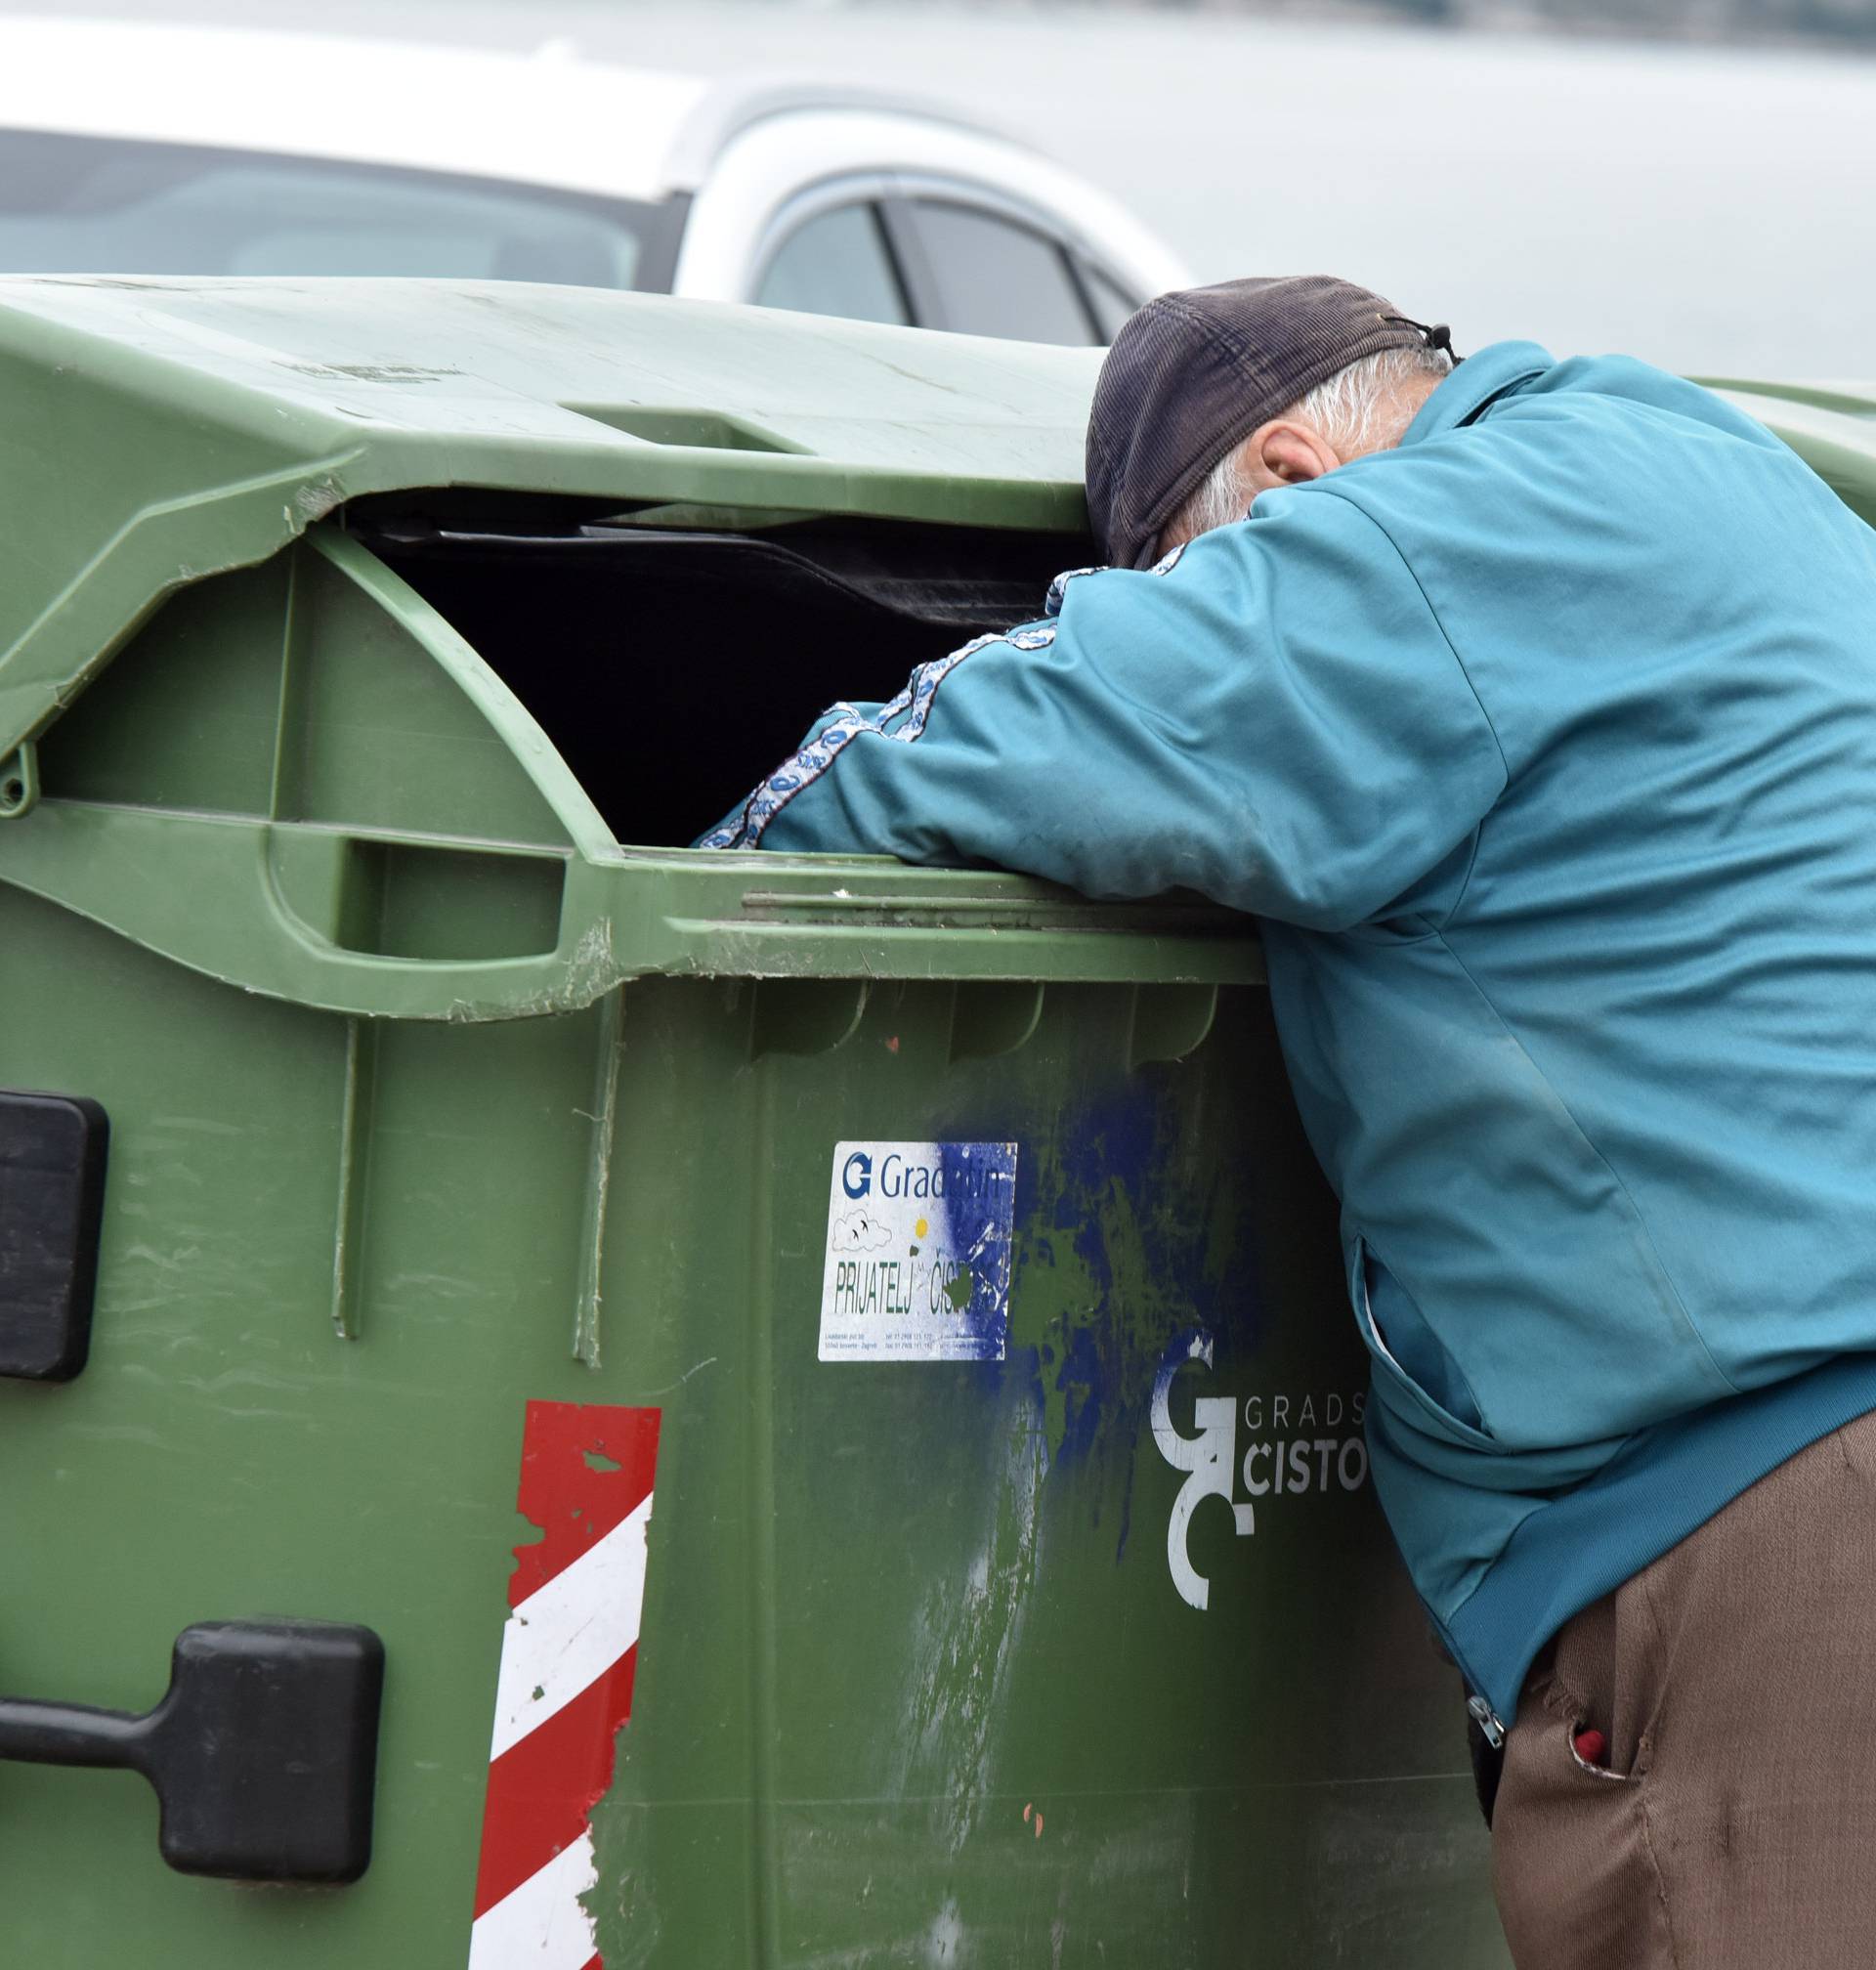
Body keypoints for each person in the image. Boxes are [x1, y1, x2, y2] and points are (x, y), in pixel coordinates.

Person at [702, 275, 1876, 1967]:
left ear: (1292, 473)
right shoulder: (1718, 477)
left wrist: (705, 872)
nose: (1206, 603)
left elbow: (1014, 725)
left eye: (1191, 566)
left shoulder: (1399, 552)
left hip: (1767, 1533)